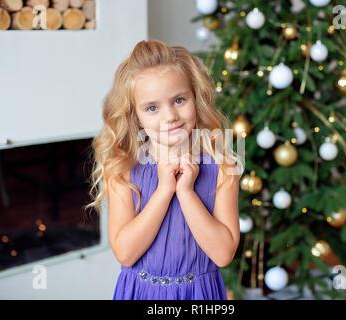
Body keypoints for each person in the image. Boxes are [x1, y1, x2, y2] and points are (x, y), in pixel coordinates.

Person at [86, 39, 244, 300]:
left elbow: (223, 254)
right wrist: (164, 190)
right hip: (142, 293)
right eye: (152, 108)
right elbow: (126, 254)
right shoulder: (123, 171)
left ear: (196, 97)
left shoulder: (223, 170)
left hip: (199, 294)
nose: (170, 116)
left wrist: (186, 192)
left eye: (179, 100)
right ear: (135, 115)